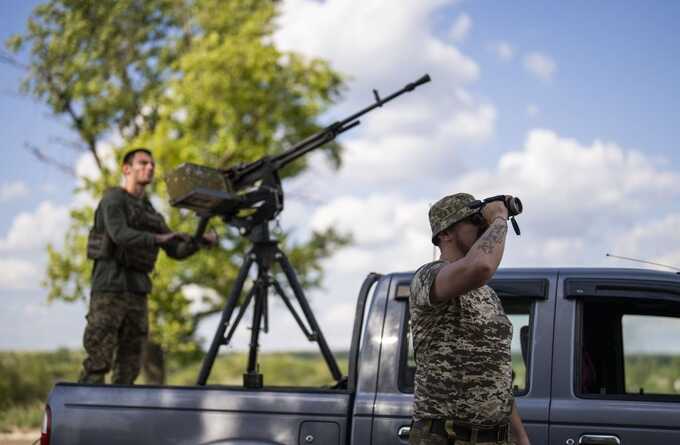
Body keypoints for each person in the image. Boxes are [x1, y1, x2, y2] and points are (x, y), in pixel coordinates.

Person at [79, 148, 217, 385]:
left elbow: (175, 251)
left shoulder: (149, 211)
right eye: (143, 163)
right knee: (98, 361)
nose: (150, 167)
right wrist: (157, 238)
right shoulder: (113, 200)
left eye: (152, 164)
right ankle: (79, 417)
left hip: (138, 293)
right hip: (109, 291)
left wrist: (198, 240)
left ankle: (119, 419)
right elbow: (120, 234)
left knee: (130, 366)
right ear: (126, 169)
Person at [408, 193, 530, 445]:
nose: (481, 226)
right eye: (474, 221)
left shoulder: (488, 295)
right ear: (446, 234)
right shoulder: (427, 277)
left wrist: (521, 439)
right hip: (447, 436)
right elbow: (481, 266)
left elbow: (499, 376)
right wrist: (498, 218)